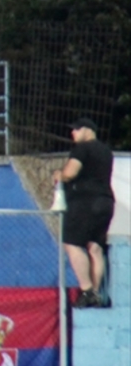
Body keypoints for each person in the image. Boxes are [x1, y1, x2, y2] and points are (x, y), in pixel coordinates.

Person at [57, 117, 115, 307]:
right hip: (106, 201)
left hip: (85, 202)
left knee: (71, 243)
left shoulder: (82, 148)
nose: (72, 133)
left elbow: (70, 173)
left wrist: (59, 175)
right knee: (95, 248)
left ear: (88, 130)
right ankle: (96, 294)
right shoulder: (106, 151)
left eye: (76, 129)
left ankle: (87, 290)